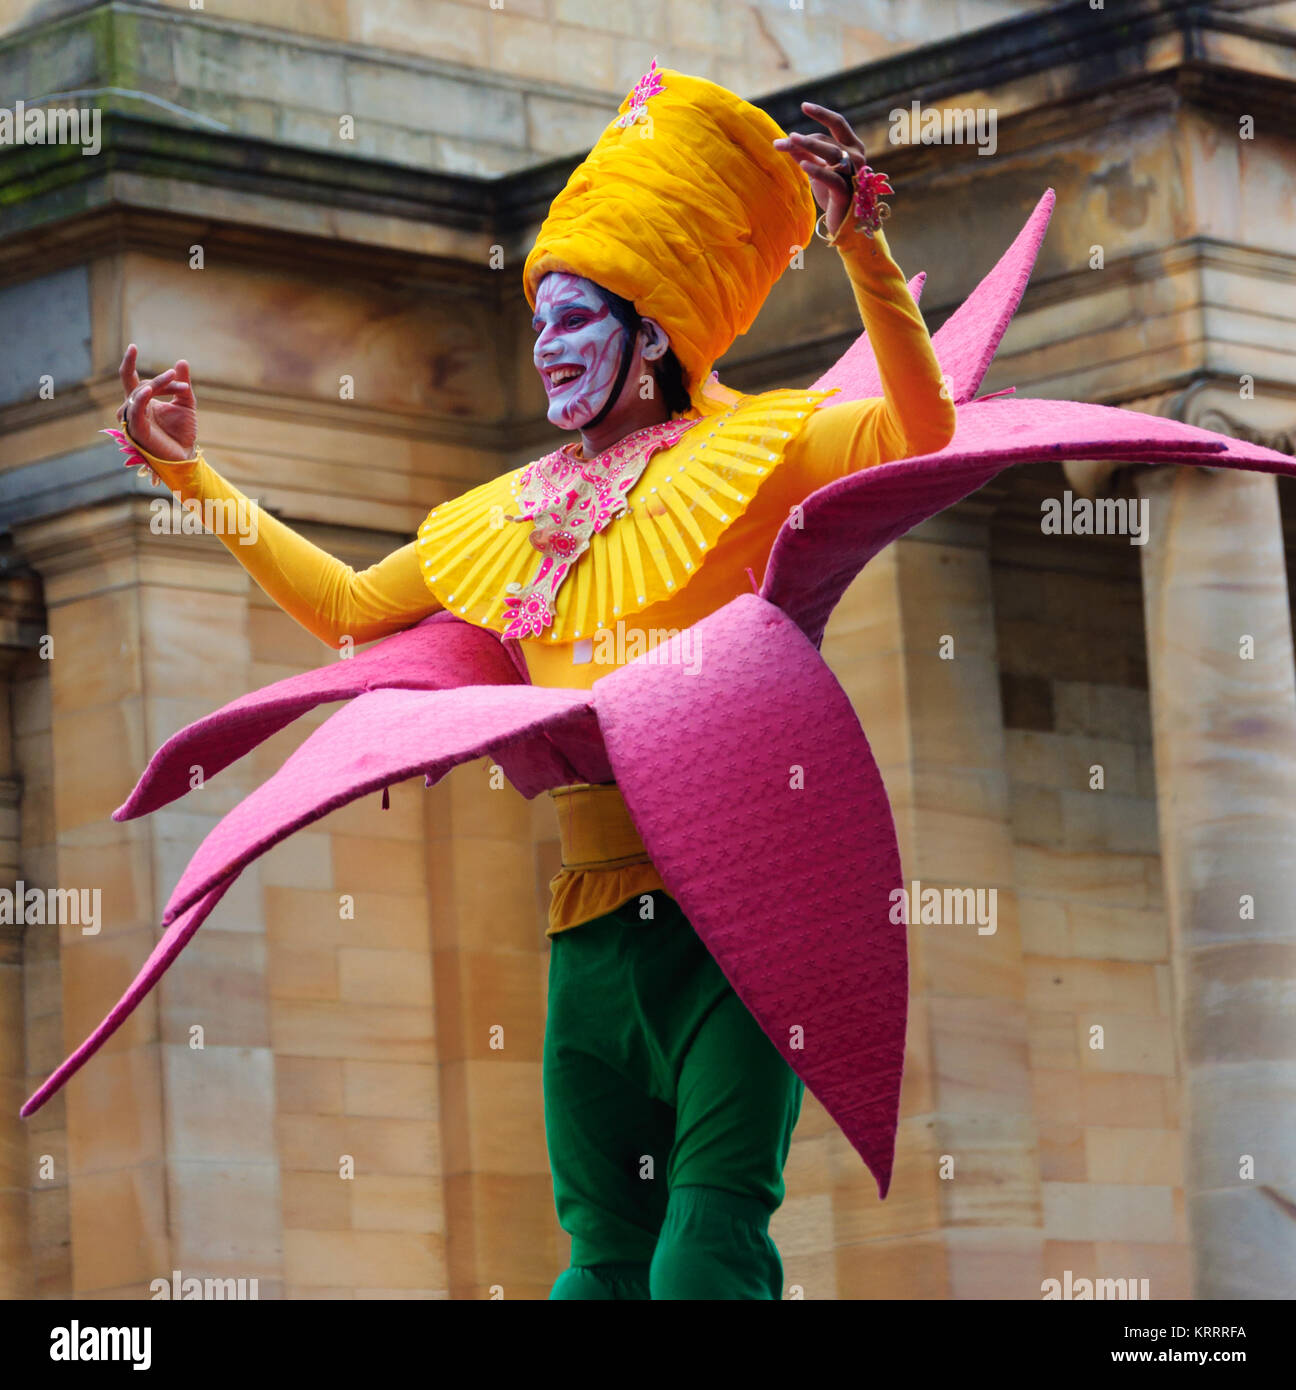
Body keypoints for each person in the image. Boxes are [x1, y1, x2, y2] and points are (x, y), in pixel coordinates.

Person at [110, 66, 954, 1299]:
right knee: (599, 1265)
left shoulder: (756, 446)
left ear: (653, 329)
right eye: (539, 321)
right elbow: (349, 610)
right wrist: (194, 478)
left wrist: (863, 251)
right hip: (590, 931)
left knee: (705, 1256)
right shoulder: (506, 510)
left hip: (737, 915)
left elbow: (919, 430)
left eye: (576, 318)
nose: (549, 348)